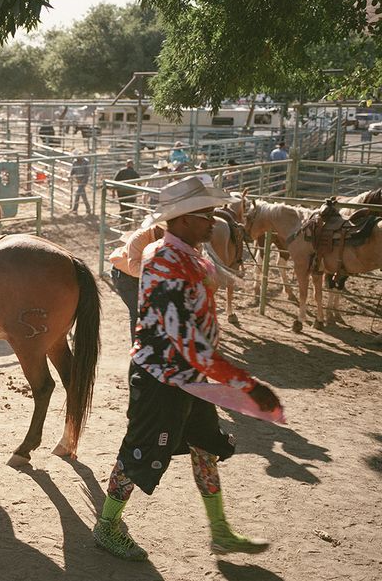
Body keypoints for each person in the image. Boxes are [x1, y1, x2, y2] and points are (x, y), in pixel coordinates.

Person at [92, 175, 282, 561]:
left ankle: (220, 532)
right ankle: (107, 525)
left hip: (188, 378)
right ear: (182, 220)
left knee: (204, 447)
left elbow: (205, 293)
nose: (213, 222)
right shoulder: (165, 261)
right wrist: (244, 384)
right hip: (160, 377)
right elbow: (188, 342)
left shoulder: (187, 254)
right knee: (138, 451)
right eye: (205, 215)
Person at [108, 223, 164, 342]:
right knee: (138, 312)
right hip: (125, 276)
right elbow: (134, 268)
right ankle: (137, 347)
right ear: (158, 228)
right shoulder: (140, 238)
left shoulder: (164, 239)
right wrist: (159, 272)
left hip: (144, 276)